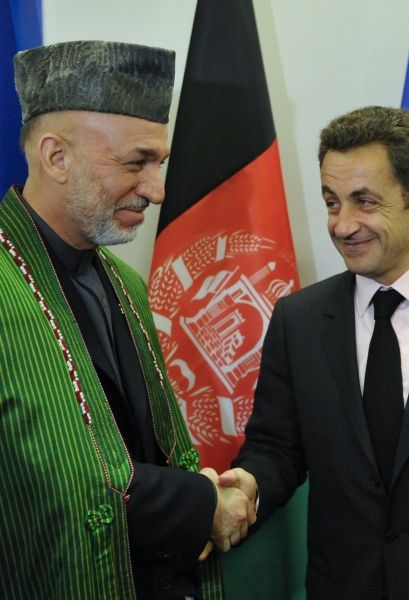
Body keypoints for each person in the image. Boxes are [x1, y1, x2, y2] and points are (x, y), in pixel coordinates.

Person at [0, 40, 255, 600]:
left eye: (159, 163)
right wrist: (202, 505)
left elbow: (140, 451)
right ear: (55, 156)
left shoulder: (125, 282)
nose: (158, 190)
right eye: (136, 162)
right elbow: (56, 484)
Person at [221, 105, 409, 599]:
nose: (342, 225)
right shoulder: (300, 320)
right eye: (332, 202)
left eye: (365, 201)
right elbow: (277, 449)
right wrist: (246, 487)